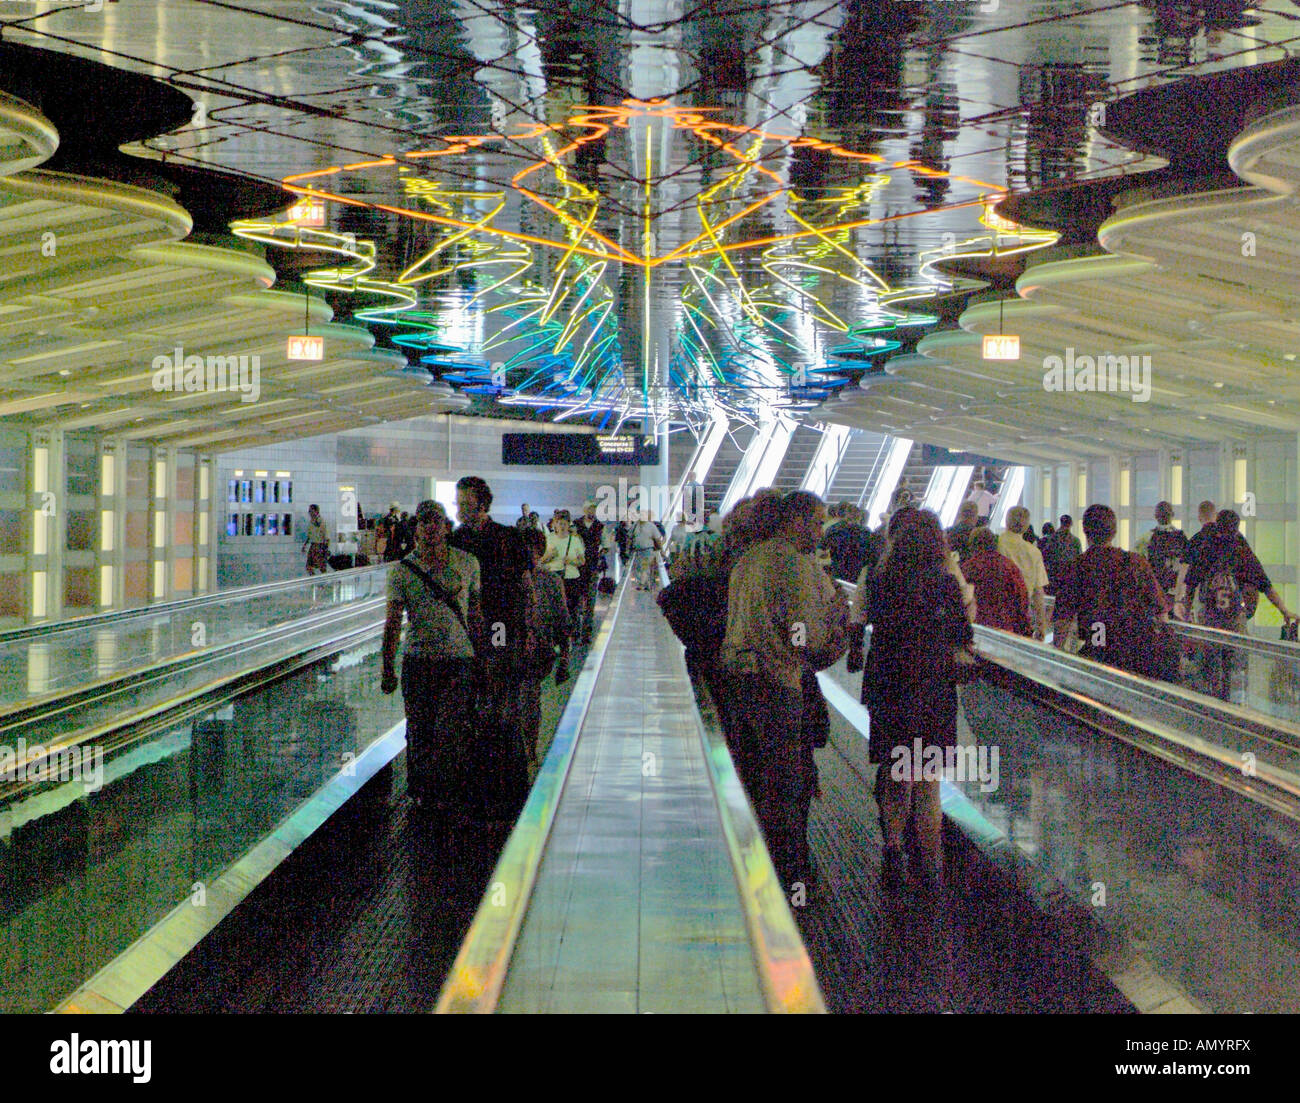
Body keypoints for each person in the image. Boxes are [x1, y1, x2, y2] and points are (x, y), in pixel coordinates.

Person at [719, 491, 848, 892]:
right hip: (777, 684)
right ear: (792, 521)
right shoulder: (792, 563)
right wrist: (838, 629)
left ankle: (750, 867)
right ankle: (790, 876)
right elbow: (802, 635)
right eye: (815, 521)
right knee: (786, 785)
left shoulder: (748, 559)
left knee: (752, 777)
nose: (819, 531)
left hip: (739, 681)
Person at [847, 508, 973, 898]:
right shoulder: (945, 582)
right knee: (927, 779)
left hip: (887, 683)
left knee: (896, 770)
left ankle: (893, 849)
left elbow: (858, 619)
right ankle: (932, 867)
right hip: (932, 686)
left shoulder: (877, 576)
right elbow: (962, 635)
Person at [380, 500, 481, 817]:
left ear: (447, 527)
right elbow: (393, 623)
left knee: (451, 728)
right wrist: (387, 667)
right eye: (424, 522)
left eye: (436, 521)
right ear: (416, 529)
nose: (430, 527)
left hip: (459, 659)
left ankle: (448, 791)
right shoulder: (401, 572)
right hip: (419, 660)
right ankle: (423, 792)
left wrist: (488, 654)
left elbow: (477, 615)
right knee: (420, 728)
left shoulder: (468, 564)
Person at [449, 475, 535, 815]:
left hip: (500, 626)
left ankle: (506, 774)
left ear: (481, 504)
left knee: (500, 696)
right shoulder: (456, 540)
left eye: (463, 503)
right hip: (468, 630)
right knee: (475, 701)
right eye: (457, 503)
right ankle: (484, 775)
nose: (458, 509)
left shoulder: (507, 537)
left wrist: (528, 630)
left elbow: (526, 586)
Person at [1182, 509, 1298, 699]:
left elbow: (1190, 584)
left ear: (1217, 526)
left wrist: (1186, 614)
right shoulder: (1240, 549)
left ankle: (1211, 698)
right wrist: (1283, 610)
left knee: (1210, 662)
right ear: (1236, 528)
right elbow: (1264, 584)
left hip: (1210, 618)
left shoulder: (1207, 548)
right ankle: (1230, 698)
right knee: (1233, 664)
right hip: (1234, 618)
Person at [1051, 504, 1171, 679]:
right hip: (1133, 655)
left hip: (1096, 652)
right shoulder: (1136, 563)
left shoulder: (1077, 566)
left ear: (1086, 532)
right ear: (1114, 532)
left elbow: (1063, 620)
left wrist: (1056, 656)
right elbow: (1161, 612)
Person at [520, 527, 570, 765]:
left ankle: (529, 749)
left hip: (537, 651)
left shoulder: (551, 581)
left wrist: (565, 659)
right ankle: (526, 750)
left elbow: (562, 621)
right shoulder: (507, 579)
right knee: (524, 700)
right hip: (515, 650)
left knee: (529, 698)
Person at [960, 526, 1031, 635]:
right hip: (1005, 629)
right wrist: (1024, 627)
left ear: (972, 546)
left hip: (976, 628)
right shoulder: (1009, 566)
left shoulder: (968, 568)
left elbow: (961, 599)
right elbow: (1021, 597)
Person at [997, 506, 1049, 639]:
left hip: (997, 613)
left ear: (1006, 521)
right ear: (1026, 526)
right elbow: (1038, 592)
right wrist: (1041, 626)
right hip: (1022, 615)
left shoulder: (996, 544)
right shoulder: (1034, 552)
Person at [1140, 501, 1188, 612]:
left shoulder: (1146, 539)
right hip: (1177, 595)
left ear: (1155, 516)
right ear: (1173, 515)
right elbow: (1188, 567)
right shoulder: (1183, 537)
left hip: (1155, 594)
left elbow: (1140, 568)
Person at [541, 509, 585, 624]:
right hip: (553, 577)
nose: (562, 526)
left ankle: (571, 632)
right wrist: (549, 556)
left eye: (565, 523)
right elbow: (541, 561)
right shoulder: (549, 538)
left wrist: (571, 561)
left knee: (571, 608)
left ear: (569, 524)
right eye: (560, 523)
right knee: (555, 609)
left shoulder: (575, 540)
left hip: (571, 578)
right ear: (555, 524)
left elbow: (582, 561)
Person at [573, 499, 605, 644]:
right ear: (585, 510)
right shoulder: (576, 525)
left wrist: (598, 555)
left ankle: (586, 634)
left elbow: (606, 545)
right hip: (577, 568)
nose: (592, 512)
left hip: (592, 567)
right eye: (590, 509)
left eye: (594, 509)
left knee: (590, 602)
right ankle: (575, 632)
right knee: (576, 601)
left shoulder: (600, 526)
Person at [820, 503, 877, 583]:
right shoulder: (867, 533)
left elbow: (821, 548)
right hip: (855, 574)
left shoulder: (834, 529)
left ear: (846, 514)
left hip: (836, 571)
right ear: (859, 516)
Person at [1039, 513, 1081, 594]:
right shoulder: (1075, 541)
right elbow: (1078, 559)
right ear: (1071, 524)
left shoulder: (1052, 538)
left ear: (1060, 522)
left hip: (1053, 576)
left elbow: (1045, 556)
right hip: (1069, 577)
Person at [629, 509, 665, 591]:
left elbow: (657, 538)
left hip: (647, 550)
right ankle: (645, 583)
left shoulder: (651, 526)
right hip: (637, 551)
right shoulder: (635, 525)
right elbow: (630, 537)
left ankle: (642, 583)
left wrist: (660, 549)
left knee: (644, 567)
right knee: (638, 567)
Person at [945, 500, 982, 564]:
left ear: (960, 515)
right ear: (975, 517)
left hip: (951, 567)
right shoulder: (979, 535)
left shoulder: (948, 532)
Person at [304, 504, 329, 575]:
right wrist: (305, 545)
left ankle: (324, 583)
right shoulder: (312, 521)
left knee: (322, 567)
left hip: (320, 545)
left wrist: (325, 549)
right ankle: (314, 581)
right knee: (309, 567)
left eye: (310, 511)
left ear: (316, 511)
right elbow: (310, 535)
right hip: (313, 545)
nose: (309, 512)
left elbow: (326, 537)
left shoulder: (321, 521)